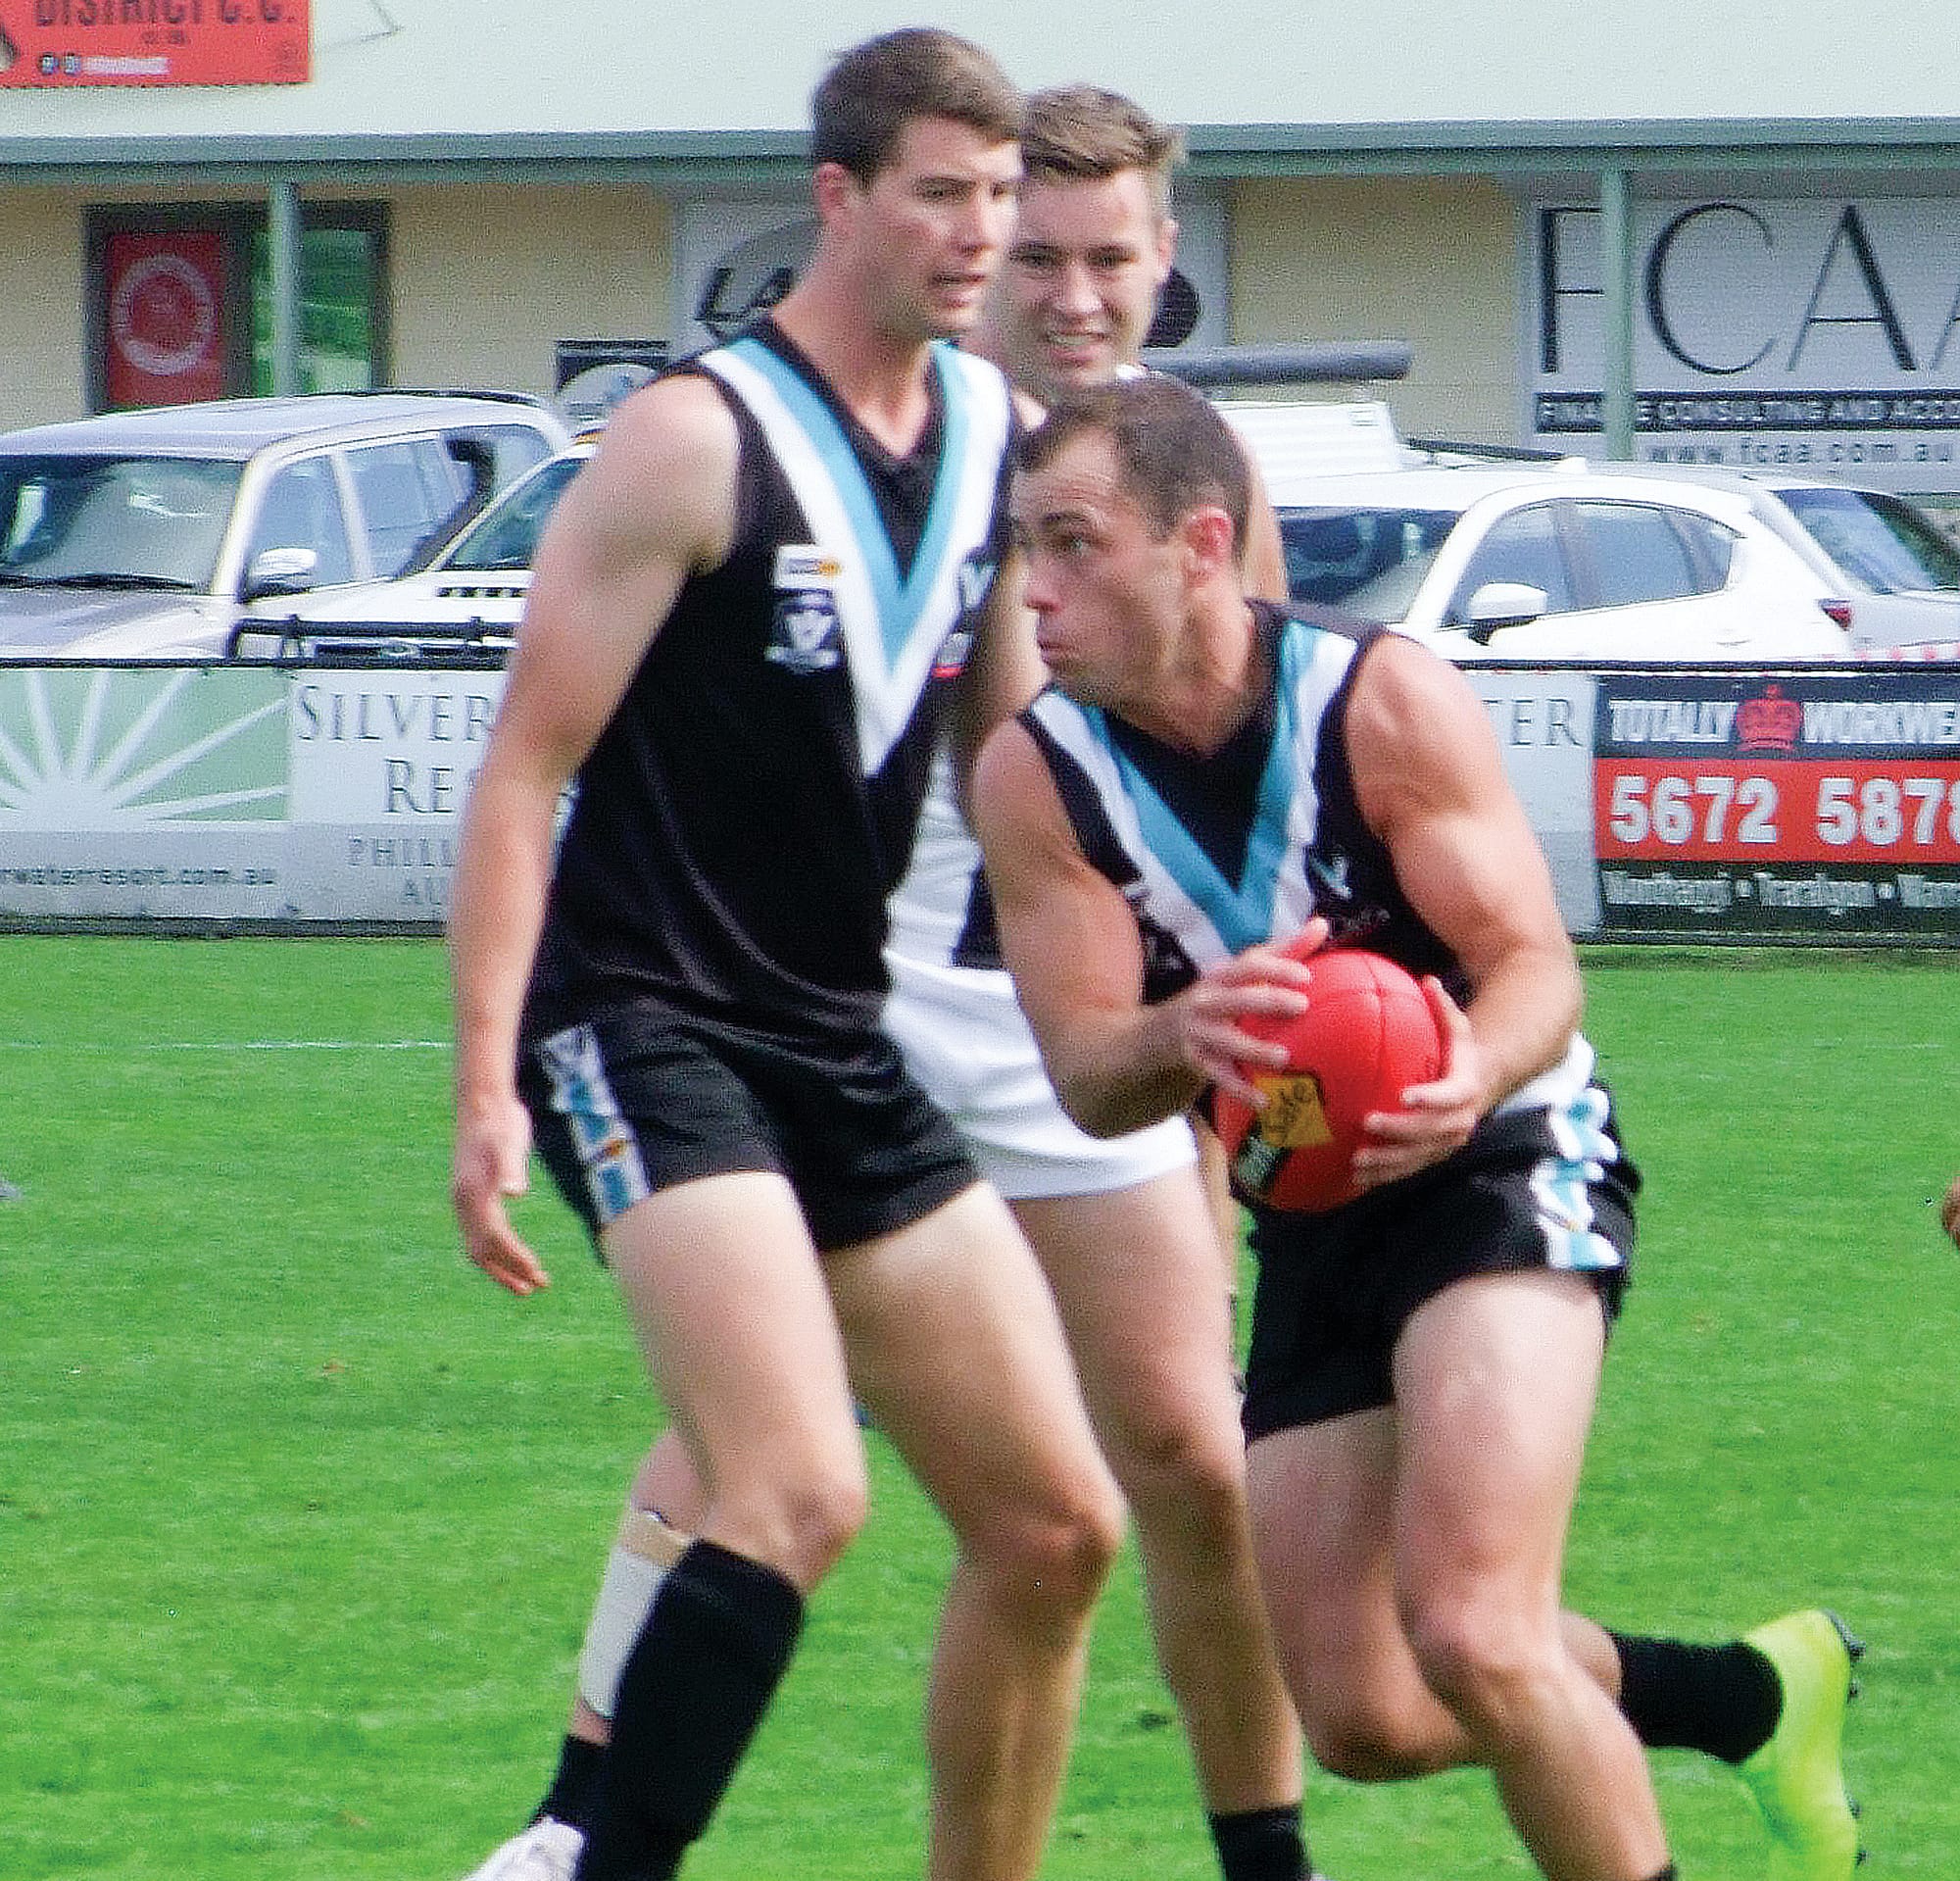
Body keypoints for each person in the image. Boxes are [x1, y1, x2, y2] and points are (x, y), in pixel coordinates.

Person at [464, 80, 1325, 1881]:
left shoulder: (1007, 448)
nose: (987, 240)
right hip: (644, 1017)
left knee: (1061, 1522)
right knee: (791, 1481)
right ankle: (585, 1839)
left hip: (840, 1033)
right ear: (836, 198)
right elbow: (525, 767)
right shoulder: (692, 439)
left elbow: (1023, 762)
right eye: (948, 197)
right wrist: (484, 1083)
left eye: (1003, 201)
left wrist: (1169, 992)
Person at [970, 373, 1866, 1881]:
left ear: (1200, 545)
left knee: (1475, 1627)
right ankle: (1749, 1697)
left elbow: (1536, 971)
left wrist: (1466, 1076)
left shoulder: (1376, 697)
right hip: (1316, 1210)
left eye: (1072, 546)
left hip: (1504, 1160)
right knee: (1371, 1717)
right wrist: (1175, 1036)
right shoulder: (1034, 773)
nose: (1034, 595)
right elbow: (1083, 1073)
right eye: (1021, 551)